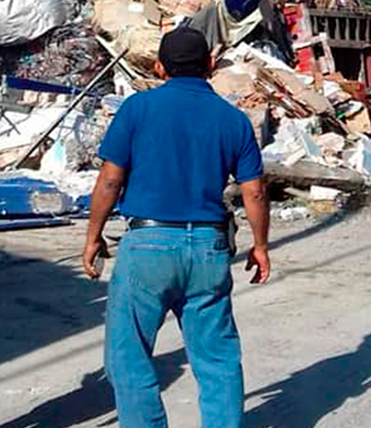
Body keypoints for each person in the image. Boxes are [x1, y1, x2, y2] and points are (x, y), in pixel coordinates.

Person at [82, 26, 271, 428]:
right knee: (217, 357)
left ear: (159, 67)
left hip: (147, 246)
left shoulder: (137, 108)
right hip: (208, 246)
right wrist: (261, 245)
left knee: (128, 356)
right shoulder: (233, 119)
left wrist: (93, 235)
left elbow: (110, 181)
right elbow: (254, 192)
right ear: (209, 66)